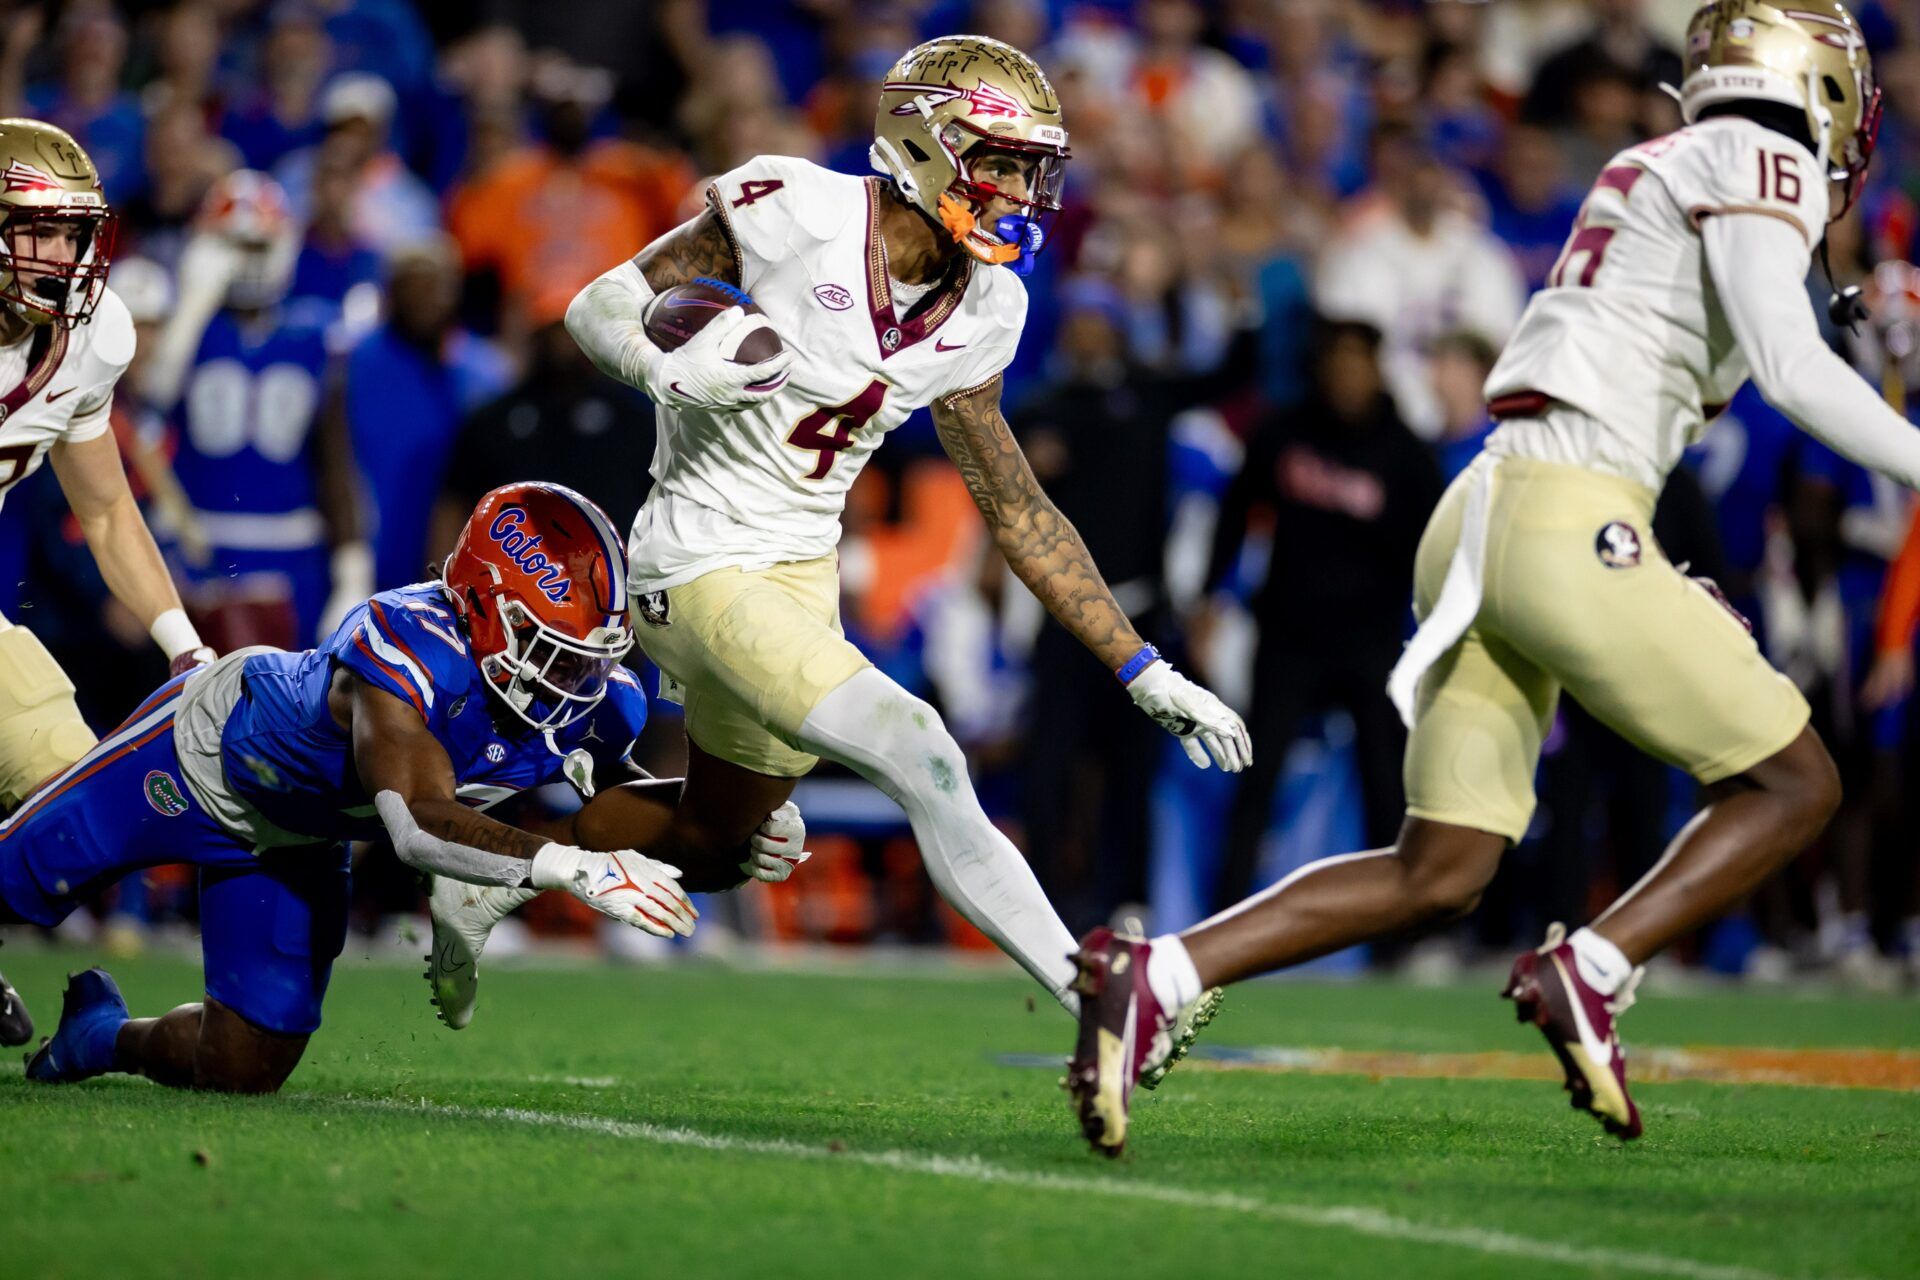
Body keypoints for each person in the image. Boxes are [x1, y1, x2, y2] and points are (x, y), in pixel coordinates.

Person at [1066, 0, 1903, 1155]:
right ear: (1824, 91)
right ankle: (1596, 964)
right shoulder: (1766, 156)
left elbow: (1737, 338)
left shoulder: (1662, 159)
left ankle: (1161, 969)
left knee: (1442, 863)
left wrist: (1867, 326)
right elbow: (1794, 369)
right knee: (1796, 784)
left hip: (1484, 508)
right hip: (1566, 513)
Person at [527, 34, 1248, 1034]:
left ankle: (493, 860)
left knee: (720, 835)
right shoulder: (799, 208)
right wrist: (664, 367)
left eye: (1032, 172)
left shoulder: (990, 305)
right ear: (925, 144)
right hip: (695, 556)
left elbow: (1017, 508)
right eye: (1000, 164)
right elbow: (600, 302)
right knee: (922, 749)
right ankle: (1104, 997)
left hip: (799, 574)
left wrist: (1141, 665)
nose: (1020, 193)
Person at [7, 482, 800, 1093]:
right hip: (196, 760)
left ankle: (100, 1035)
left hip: (299, 837)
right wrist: (571, 871)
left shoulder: (592, 694)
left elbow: (613, 817)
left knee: (244, 1067)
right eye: (555, 651)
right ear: (483, 607)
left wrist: (729, 827)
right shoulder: (403, 647)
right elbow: (419, 824)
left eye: (592, 655)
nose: (579, 679)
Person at [0, 120, 221, 1046]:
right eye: (32, 231)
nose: (56, 256)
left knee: (69, 791)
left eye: (69, 232)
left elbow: (107, 512)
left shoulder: (90, 337)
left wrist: (187, 650)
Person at [143, 168, 369, 651]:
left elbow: (335, 459)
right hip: (193, 551)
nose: (243, 262)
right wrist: (191, 306)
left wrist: (352, 569)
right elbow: (148, 405)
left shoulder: (316, 333)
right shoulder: (181, 331)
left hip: (289, 555)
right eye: (231, 246)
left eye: (257, 246)